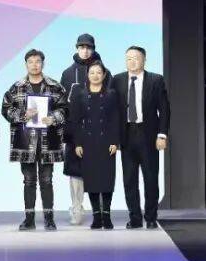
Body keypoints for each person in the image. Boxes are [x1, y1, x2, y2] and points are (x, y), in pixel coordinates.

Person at [2, 49, 69, 231]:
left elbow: (65, 109)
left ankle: (49, 219)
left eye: (37, 61)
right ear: (26, 64)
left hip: (49, 140)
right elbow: (6, 109)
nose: (34, 65)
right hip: (25, 141)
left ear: (43, 63)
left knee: (47, 180)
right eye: (30, 62)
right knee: (28, 181)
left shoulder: (55, 86)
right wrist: (23, 114)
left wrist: (53, 118)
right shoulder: (17, 87)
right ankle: (29, 220)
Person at [112, 46, 171, 227]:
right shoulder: (117, 80)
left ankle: (151, 218)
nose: (132, 61)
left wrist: (162, 135)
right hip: (126, 135)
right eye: (128, 58)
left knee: (150, 179)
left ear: (144, 60)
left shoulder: (156, 80)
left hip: (149, 135)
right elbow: (112, 111)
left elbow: (164, 109)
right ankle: (135, 218)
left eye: (136, 58)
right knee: (129, 180)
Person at [59, 33, 108, 225]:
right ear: (77, 48)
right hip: (75, 131)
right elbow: (62, 104)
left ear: (93, 49)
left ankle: (100, 210)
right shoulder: (67, 74)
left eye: (88, 47)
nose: (85, 50)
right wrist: (65, 131)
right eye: (82, 47)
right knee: (75, 171)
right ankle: (77, 208)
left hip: (98, 131)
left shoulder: (104, 72)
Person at [69, 59, 120, 229]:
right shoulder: (80, 94)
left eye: (99, 72)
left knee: (106, 179)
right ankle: (96, 217)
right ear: (88, 75)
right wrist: (77, 143)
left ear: (104, 75)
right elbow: (76, 121)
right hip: (88, 141)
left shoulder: (111, 94)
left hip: (107, 142)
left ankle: (107, 215)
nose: (95, 75)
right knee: (91, 180)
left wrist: (115, 141)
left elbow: (115, 119)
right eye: (92, 72)